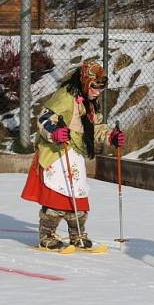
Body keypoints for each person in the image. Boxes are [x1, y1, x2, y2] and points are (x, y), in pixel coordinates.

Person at [21, 60, 125, 250]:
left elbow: (95, 127)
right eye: (94, 86)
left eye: (101, 88)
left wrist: (111, 136)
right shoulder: (66, 96)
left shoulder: (90, 103)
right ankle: (47, 234)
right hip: (58, 153)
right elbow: (44, 117)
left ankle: (77, 233)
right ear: (85, 81)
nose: (97, 92)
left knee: (79, 194)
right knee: (58, 196)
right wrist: (54, 131)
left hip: (75, 154)